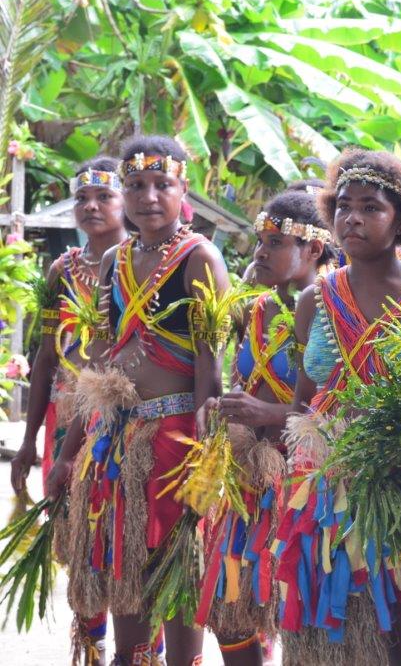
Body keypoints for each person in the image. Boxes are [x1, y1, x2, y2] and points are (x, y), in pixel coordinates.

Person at [45, 135, 230, 666]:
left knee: (175, 576)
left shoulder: (201, 259)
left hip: (175, 443)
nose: (148, 196)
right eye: (135, 186)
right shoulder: (115, 260)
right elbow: (98, 365)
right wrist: (66, 454)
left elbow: (209, 371)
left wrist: (206, 460)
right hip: (116, 442)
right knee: (122, 571)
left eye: (161, 185)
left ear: (183, 189)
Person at [273, 149, 401, 665]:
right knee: (324, 615)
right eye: (344, 205)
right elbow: (304, 401)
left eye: (371, 207)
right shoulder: (316, 300)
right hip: (321, 486)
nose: (353, 218)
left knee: (398, 613)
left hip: (398, 484)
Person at [197, 189, 333, 665]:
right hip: (248, 482)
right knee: (230, 609)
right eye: (261, 241)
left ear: (313, 249)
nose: (260, 252)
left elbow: (339, 406)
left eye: (275, 242)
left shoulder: (333, 311)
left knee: (299, 610)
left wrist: (268, 414)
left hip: (304, 487)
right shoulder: (253, 309)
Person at [10, 156, 129, 665]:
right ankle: (93, 649)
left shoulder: (144, 263)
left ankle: (140, 650)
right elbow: (44, 356)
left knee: (122, 535)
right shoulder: (62, 269)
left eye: (104, 196)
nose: (91, 206)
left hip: (124, 420)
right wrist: (27, 440)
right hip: (64, 417)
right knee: (75, 538)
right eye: (82, 197)